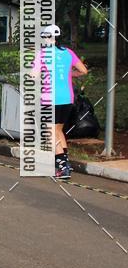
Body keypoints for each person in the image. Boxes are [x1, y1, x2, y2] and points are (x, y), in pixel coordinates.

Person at [35, 24, 88, 180]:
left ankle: (63, 167)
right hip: (67, 98)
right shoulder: (68, 53)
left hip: (49, 98)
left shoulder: (42, 54)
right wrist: (69, 74)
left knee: (51, 132)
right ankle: (64, 163)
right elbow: (83, 71)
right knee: (58, 130)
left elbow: (34, 76)